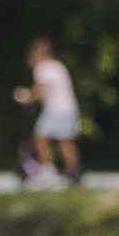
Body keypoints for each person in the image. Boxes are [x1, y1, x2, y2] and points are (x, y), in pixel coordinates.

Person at [11, 36, 82, 187]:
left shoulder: (42, 68)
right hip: (69, 107)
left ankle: (48, 171)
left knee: (40, 137)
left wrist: (24, 96)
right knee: (66, 140)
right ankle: (73, 172)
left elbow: (38, 91)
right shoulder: (57, 65)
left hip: (56, 108)